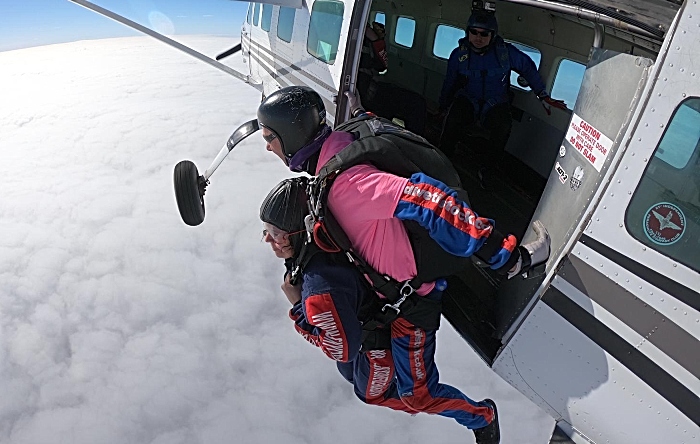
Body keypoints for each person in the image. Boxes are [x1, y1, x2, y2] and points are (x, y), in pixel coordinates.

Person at [257, 85, 551, 443]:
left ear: (291, 134)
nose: (267, 145)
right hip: (393, 299)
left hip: (411, 307)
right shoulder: (338, 149)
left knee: (417, 395)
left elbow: (429, 202)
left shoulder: (346, 185)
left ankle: (482, 417)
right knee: (366, 386)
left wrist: (504, 258)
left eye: (270, 136)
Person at [260, 177, 502, 442]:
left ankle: (481, 416)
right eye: (266, 230)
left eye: (275, 232)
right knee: (351, 375)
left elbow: (340, 348)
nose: (268, 239)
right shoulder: (326, 227)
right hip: (381, 307)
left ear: (298, 231)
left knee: (397, 395)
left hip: (393, 323)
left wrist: (298, 309)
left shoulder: (319, 292)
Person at [438, 11, 567, 185]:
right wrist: (443, 105)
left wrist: (542, 94)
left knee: (504, 127)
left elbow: (528, 68)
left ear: (493, 35)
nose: (478, 37)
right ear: (468, 32)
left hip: (495, 102)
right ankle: (441, 162)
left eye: (484, 34)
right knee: (452, 119)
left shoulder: (505, 53)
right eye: (474, 32)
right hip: (469, 98)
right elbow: (449, 82)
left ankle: (488, 169)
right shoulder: (459, 56)